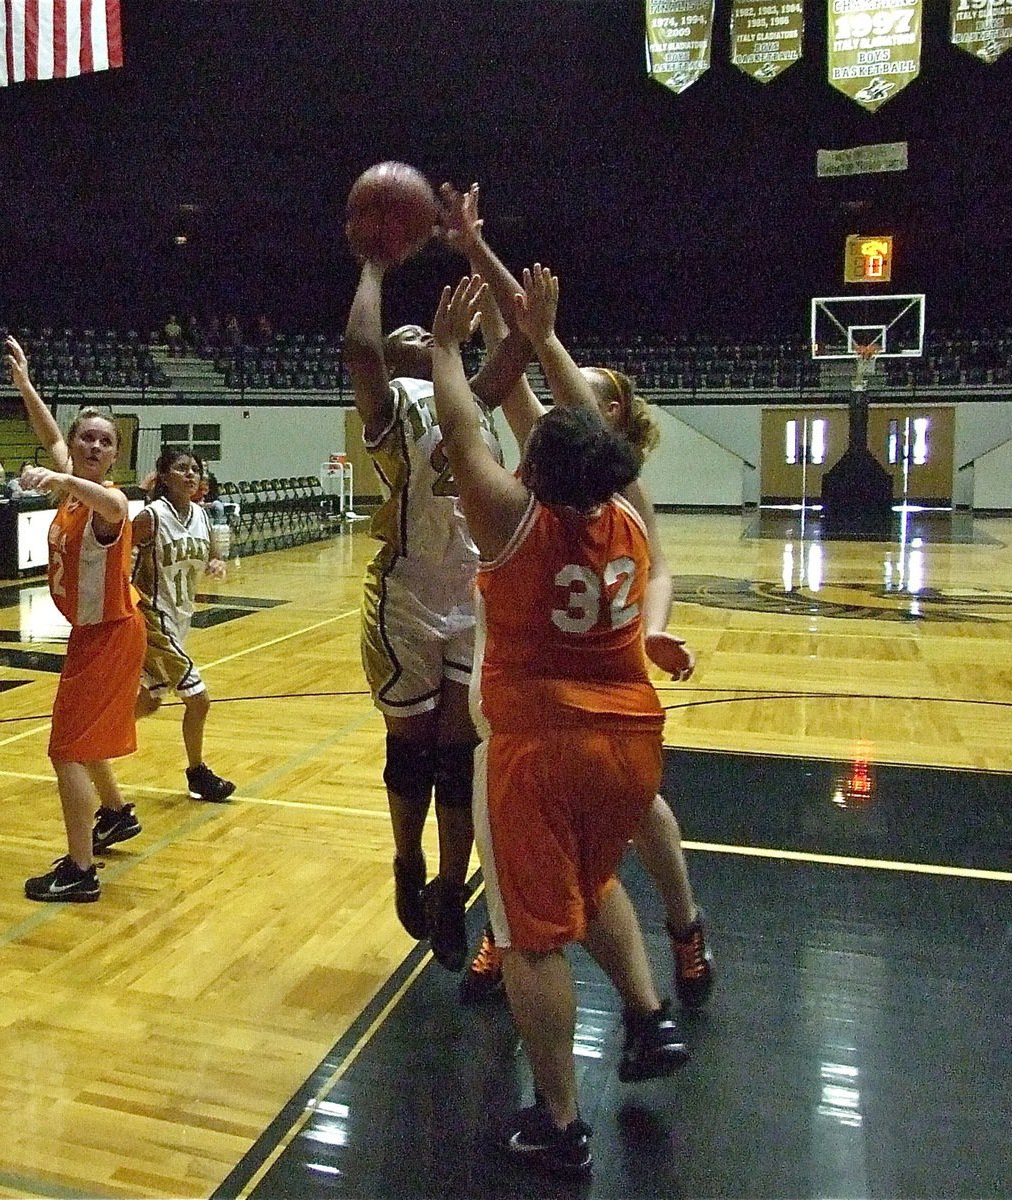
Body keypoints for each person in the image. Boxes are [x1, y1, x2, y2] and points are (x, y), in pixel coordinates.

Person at [430, 272, 687, 1177]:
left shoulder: (510, 518)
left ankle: (560, 1122)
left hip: (540, 745)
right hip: (630, 740)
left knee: (533, 936)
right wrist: (539, 337)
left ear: (536, 467)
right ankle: (650, 1019)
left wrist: (445, 350)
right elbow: (585, 417)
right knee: (597, 882)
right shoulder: (629, 512)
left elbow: (462, 425)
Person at [439, 184, 715, 1012]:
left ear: (614, 418)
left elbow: (658, 569)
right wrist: (480, 254)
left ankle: (683, 924)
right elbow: (516, 351)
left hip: (580, 682)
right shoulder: (562, 461)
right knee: (544, 833)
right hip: (549, 683)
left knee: (635, 822)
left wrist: (652, 631)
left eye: (593, 396)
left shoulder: (619, 487)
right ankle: (516, 932)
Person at [341, 234, 531, 972]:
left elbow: (516, 350)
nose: (419, 332)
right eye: (406, 335)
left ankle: (453, 891)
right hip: (406, 597)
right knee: (410, 753)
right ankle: (406, 860)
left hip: (470, 594)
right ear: (392, 360)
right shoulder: (389, 407)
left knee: (460, 758)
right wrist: (377, 263)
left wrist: (481, 256)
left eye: (426, 329)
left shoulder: (467, 397)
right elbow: (360, 348)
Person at [6, 335, 147, 903]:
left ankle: (81, 871)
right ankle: (115, 815)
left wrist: (63, 480)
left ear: (115, 454)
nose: (90, 445)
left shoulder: (104, 502)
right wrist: (24, 384)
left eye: (103, 441)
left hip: (110, 634)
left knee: (65, 749)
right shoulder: (73, 485)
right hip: (99, 633)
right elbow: (50, 436)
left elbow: (116, 509)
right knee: (85, 742)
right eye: (86, 436)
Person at [119, 446, 235, 820]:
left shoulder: (201, 515)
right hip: (151, 618)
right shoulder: (152, 517)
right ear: (164, 476)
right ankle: (197, 773)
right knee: (198, 700)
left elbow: (211, 551)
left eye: (195, 469)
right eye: (181, 468)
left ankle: (94, 745)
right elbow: (120, 556)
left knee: (150, 702)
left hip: (179, 620)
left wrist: (216, 560)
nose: (190, 475)